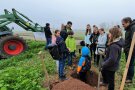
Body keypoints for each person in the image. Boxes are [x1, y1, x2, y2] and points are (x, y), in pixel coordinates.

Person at [122, 17, 135, 83]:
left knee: (130, 64)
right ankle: (127, 76)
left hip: (131, 51)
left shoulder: (133, 28)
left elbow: (134, 40)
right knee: (128, 64)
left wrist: (131, 50)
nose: (122, 25)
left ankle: (129, 78)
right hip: (127, 50)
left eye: (123, 24)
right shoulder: (128, 28)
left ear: (128, 22)